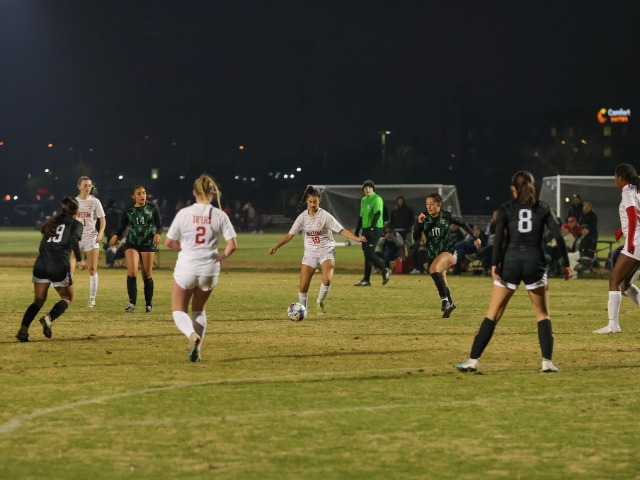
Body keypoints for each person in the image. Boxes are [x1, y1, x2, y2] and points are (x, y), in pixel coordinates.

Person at [455, 171, 572, 373]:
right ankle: (547, 362)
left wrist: (494, 264)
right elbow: (558, 236)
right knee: (542, 314)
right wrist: (566, 263)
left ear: (513, 188)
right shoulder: (543, 208)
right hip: (535, 262)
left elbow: (499, 239)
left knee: (493, 313)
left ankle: (473, 360)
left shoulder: (506, 208)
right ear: (533, 187)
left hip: (510, 262)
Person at [165, 174, 237, 362]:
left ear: (194, 193)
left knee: (178, 309)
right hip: (209, 269)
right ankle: (197, 352)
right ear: (213, 193)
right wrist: (220, 257)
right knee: (199, 310)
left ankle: (191, 335)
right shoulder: (220, 215)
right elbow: (232, 245)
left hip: (187, 267)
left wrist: (185, 247)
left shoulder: (184, 213)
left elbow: (169, 242)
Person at [270, 186, 366, 314]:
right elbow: (289, 235)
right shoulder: (302, 218)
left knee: (327, 279)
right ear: (307, 202)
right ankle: (303, 311)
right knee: (303, 286)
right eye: (310, 202)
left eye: (315, 201)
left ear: (319, 201)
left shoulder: (325, 216)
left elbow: (342, 230)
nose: (313, 204)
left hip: (326, 251)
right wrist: (276, 246)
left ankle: (319, 301)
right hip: (310, 253)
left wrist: (356, 238)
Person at [16, 197, 87, 342]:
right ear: (76, 211)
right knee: (67, 298)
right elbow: (74, 240)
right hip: (58, 265)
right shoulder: (76, 224)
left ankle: (23, 330)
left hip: (41, 264)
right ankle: (48, 318)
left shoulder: (52, 223)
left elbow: (41, 247)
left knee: (38, 300)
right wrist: (80, 260)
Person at [413, 193, 480, 317]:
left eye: (432, 204)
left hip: (449, 252)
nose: (429, 206)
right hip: (433, 254)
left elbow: (462, 223)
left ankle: (445, 300)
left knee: (433, 269)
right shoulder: (424, 217)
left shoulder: (447, 216)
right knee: (442, 280)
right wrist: (418, 223)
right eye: (427, 204)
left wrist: (475, 238)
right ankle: (451, 303)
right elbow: (415, 237)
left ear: (439, 204)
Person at [594, 164, 640, 334]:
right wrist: (622, 230)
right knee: (625, 284)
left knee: (614, 280)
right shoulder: (636, 190)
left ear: (620, 178)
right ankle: (613, 325)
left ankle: (613, 325)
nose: (614, 180)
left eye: (615, 177)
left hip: (636, 242)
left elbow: (633, 215)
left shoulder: (627, 191)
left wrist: (630, 242)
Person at [109, 185, 163, 313]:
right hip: (132, 243)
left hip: (147, 243)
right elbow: (122, 226)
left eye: (144, 193)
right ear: (133, 196)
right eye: (139, 193)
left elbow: (159, 225)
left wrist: (157, 234)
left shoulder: (152, 208)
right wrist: (116, 235)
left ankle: (148, 304)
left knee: (147, 274)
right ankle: (132, 303)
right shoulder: (129, 210)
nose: (142, 195)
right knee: (132, 272)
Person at [70, 176, 106, 307]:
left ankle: (92, 298)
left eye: (89, 185)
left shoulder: (95, 202)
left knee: (92, 269)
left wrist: (100, 234)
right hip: (76, 238)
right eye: (85, 185)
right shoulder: (74, 202)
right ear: (79, 186)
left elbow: (102, 220)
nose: (88, 187)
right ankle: (66, 293)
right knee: (70, 265)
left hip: (91, 237)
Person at [354, 180, 391, 286]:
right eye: (365, 188)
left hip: (375, 228)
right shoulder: (363, 200)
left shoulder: (377, 199)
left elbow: (377, 214)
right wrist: (357, 229)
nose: (367, 189)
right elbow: (361, 216)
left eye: (369, 187)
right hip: (366, 229)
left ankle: (384, 269)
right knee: (367, 254)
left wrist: (372, 229)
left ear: (373, 189)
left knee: (369, 252)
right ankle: (366, 280)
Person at [103, 198, 122, 267]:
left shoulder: (106, 211)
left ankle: (108, 262)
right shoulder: (116, 212)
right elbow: (118, 223)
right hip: (114, 232)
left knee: (109, 247)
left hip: (108, 231)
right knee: (113, 247)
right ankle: (110, 262)